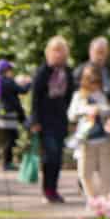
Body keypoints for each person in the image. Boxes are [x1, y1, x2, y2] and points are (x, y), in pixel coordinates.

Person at [28, 36, 75, 204]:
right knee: (50, 155)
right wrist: (34, 121)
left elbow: (70, 96)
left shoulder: (68, 72)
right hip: (44, 119)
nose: (58, 54)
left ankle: (53, 188)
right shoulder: (43, 72)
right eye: (55, 51)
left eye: (61, 51)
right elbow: (35, 97)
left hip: (60, 119)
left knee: (57, 157)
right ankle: (47, 189)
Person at [68, 65, 110, 201]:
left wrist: (99, 109)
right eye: (90, 80)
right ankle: (92, 200)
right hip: (86, 139)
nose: (94, 83)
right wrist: (86, 110)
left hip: (104, 139)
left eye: (96, 80)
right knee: (84, 173)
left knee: (105, 173)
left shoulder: (104, 94)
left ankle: (105, 201)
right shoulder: (78, 96)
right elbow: (71, 115)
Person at [0, 58, 26, 170]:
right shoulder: (7, 82)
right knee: (10, 139)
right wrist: (30, 83)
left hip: (3, 115)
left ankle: (8, 162)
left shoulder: (1, 82)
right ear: (6, 70)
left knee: (9, 138)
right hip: (9, 115)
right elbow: (22, 90)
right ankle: (7, 163)